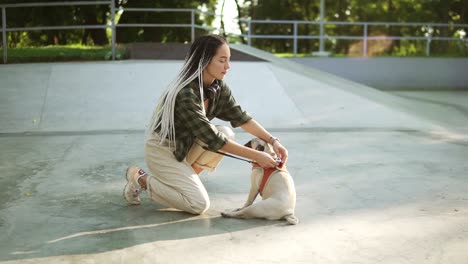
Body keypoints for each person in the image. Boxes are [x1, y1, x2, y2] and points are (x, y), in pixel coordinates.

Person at [123, 34, 288, 214]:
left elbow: (242, 118)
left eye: (229, 60)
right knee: (198, 204)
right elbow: (212, 139)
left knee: (226, 132)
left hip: (185, 147)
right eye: (222, 60)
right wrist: (257, 156)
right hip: (163, 150)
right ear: (205, 61)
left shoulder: (218, 87)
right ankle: (140, 178)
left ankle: (183, 183)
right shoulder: (185, 93)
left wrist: (273, 141)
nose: (228, 66)